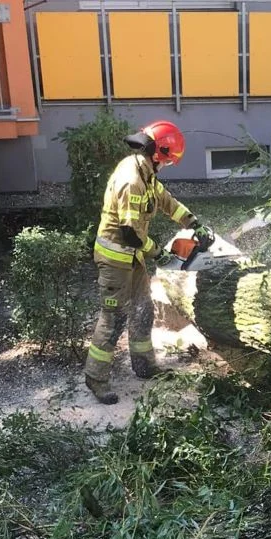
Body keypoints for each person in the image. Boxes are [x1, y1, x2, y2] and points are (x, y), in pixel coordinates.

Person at [83, 120, 211, 405]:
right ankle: (96, 377)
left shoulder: (146, 172)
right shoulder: (132, 181)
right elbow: (130, 233)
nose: (166, 166)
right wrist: (159, 253)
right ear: (157, 153)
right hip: (116, 257)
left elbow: (165, 200)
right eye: (167, 160)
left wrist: (194, 223)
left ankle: (143, 365)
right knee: (113, 318)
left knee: (143, 309)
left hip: (133, 257)